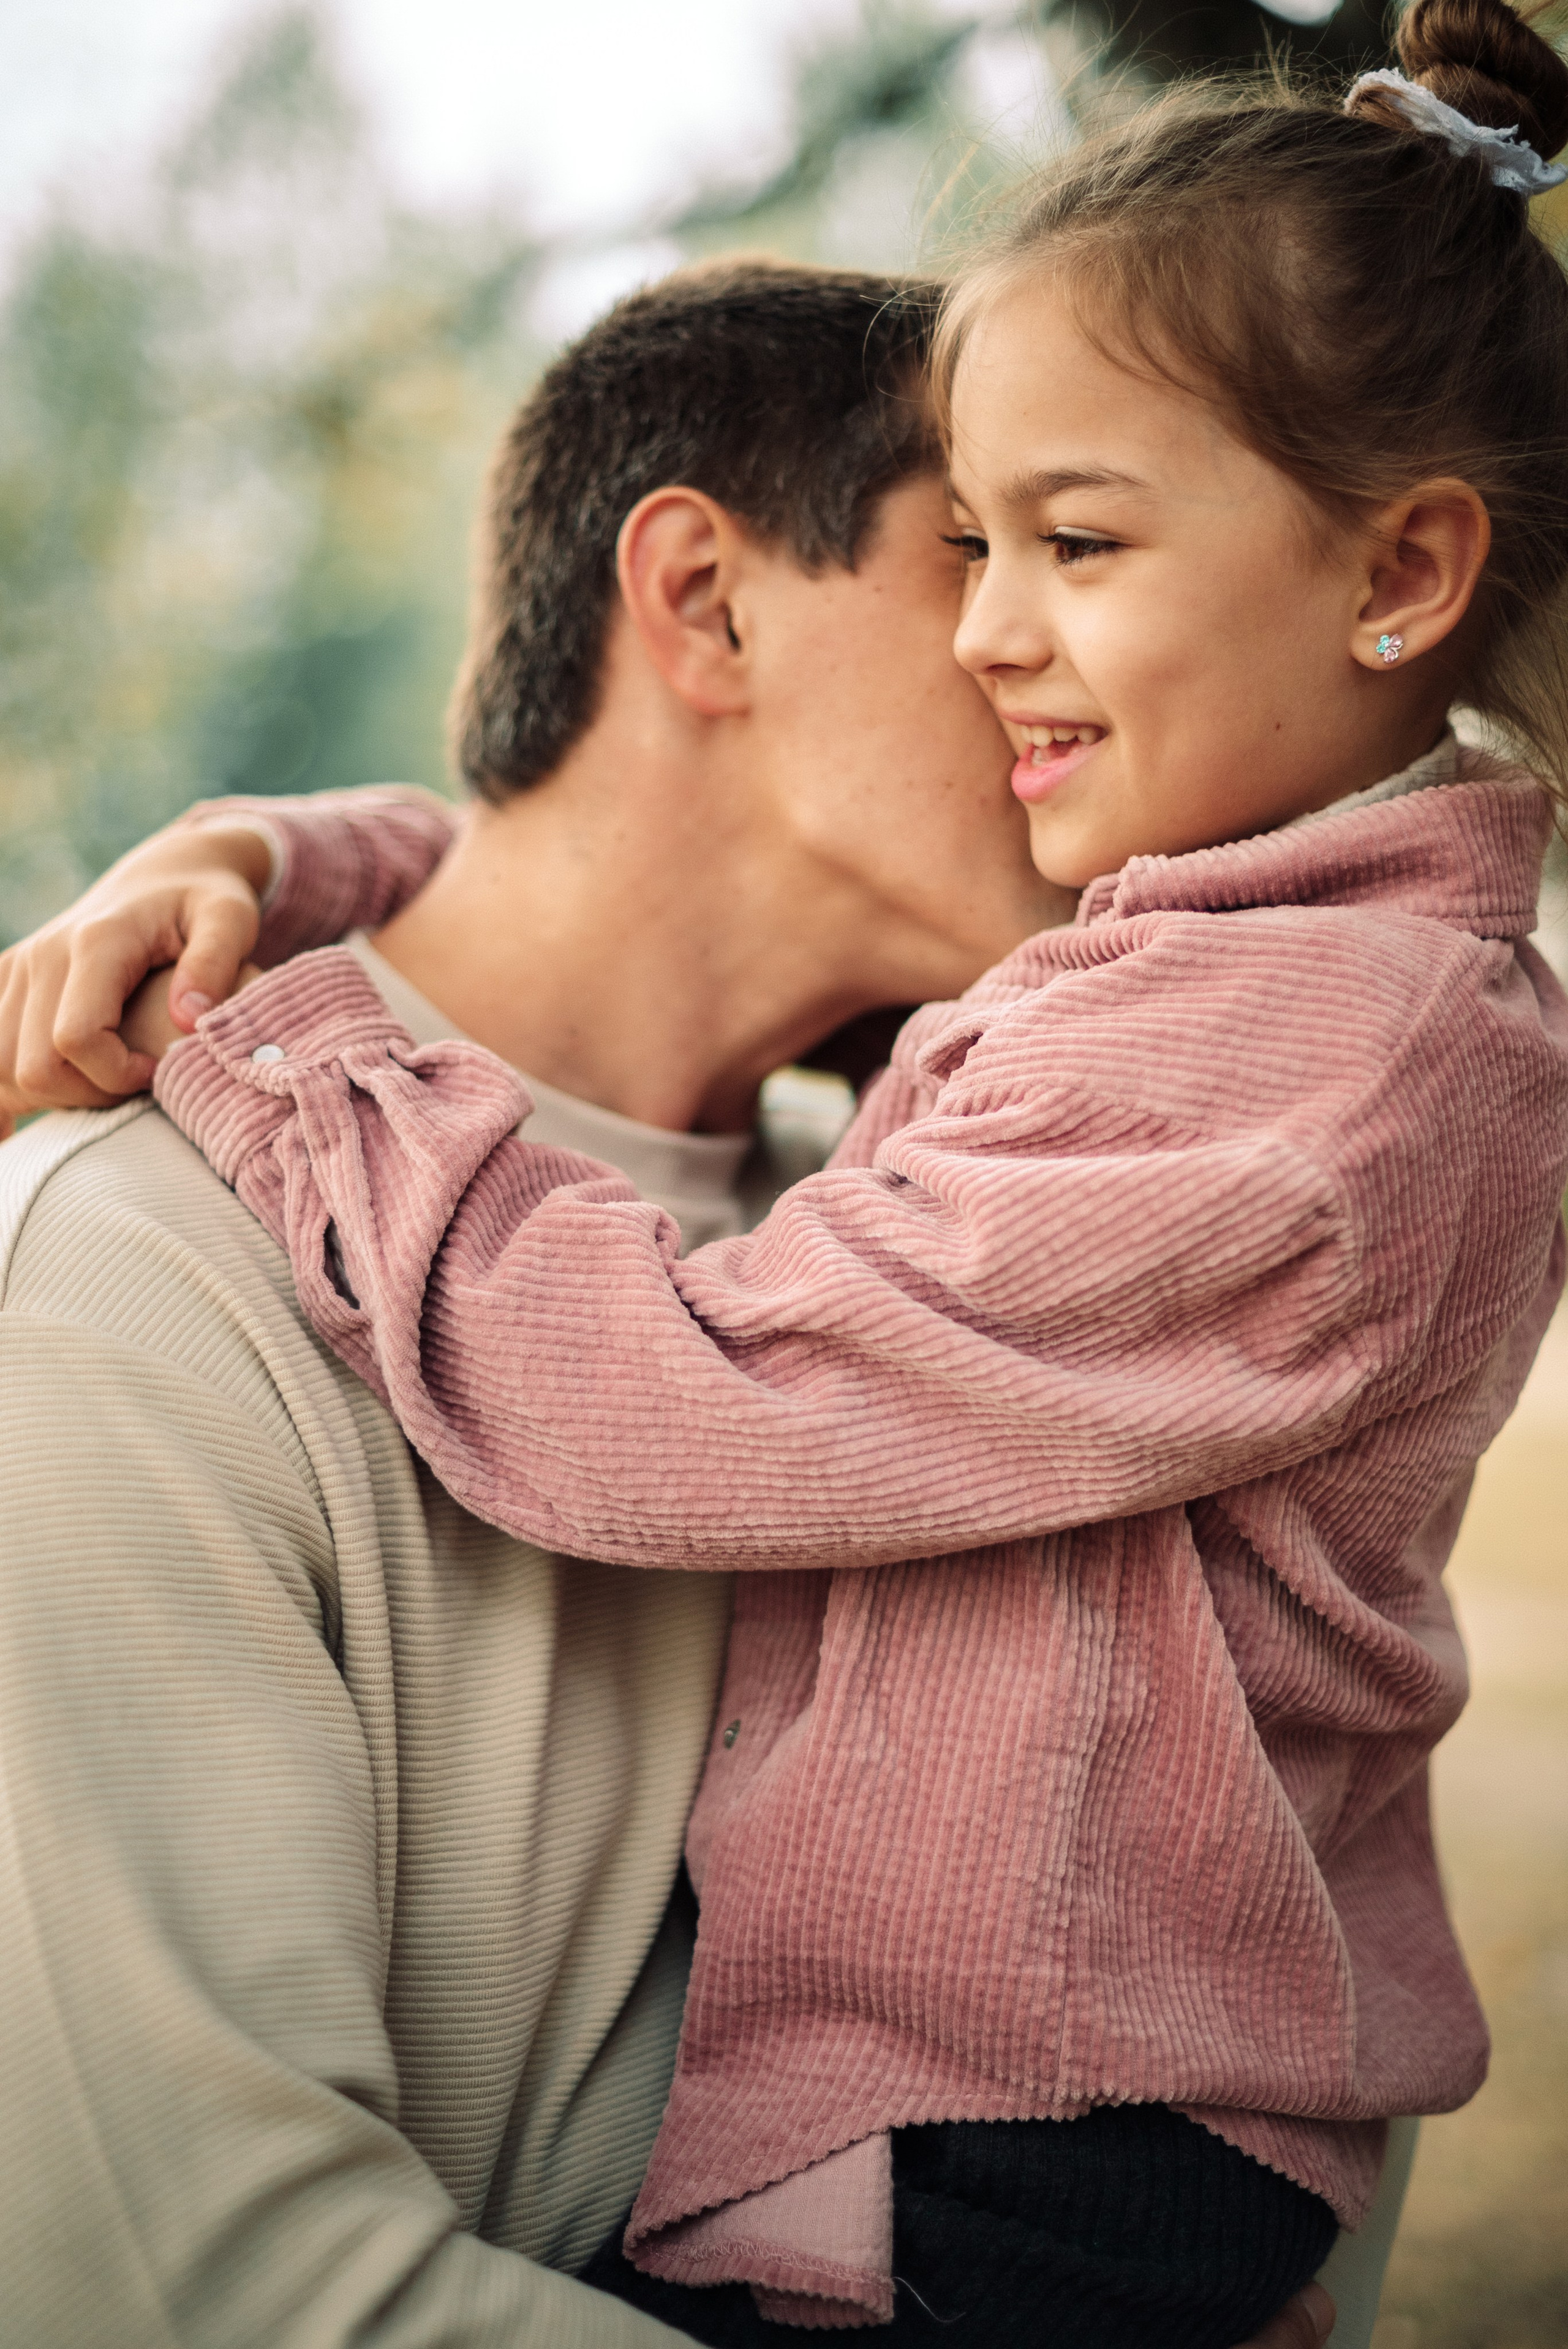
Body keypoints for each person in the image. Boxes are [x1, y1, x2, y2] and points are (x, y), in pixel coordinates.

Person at [31, 2, 1568, 2343]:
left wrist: (272, 982)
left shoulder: (1156, 1093)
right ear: (708, 603)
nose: (996, 637)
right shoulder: (138, 1301)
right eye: (966, 541)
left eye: (1066, 540)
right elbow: (206, 2288)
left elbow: (666, 1354)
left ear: (1395, 571)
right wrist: (270, 875)